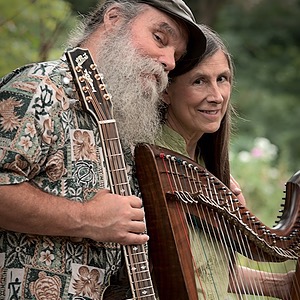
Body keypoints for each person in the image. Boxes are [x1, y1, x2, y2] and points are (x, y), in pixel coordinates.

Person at [0, 0, 207, 299]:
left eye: (176, 55)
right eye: (160, 39)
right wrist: (86, 218)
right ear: (114, 19)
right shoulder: (40, 88)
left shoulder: (123, 123)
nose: (170, 62)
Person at [155, 24, 295, 299]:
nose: (217, 96)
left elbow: (205, 270)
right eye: (199, 81)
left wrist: (284, 285)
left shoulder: (205, 168)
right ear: (165, 91)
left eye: (223, 78)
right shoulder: (151, 164)